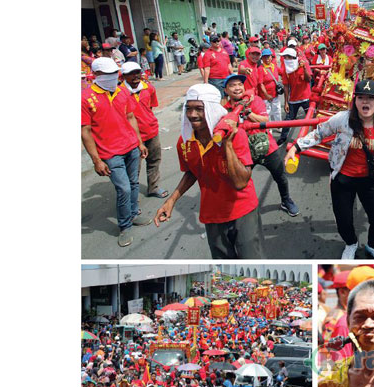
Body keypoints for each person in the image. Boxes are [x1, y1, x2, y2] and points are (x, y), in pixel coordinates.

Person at [285, 80, 374, 259]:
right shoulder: (343, 119)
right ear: (354, 100)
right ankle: (351, 244)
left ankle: (373, 246)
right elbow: (319, 133)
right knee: (344, 222)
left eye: (371, 98)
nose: (366, 102)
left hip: (370, 179)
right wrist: (296, 147)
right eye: (361, 97)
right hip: (343, 179)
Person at [153, 84, 265, 259]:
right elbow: (192, 170)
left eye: (199, 109)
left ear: (212, 110)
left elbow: (241, 182)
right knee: (223, 264)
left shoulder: (235, 135)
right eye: (188, 109)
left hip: (242, 210)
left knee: (252, 260)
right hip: (212, 215)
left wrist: (227, 145)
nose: (192, 115)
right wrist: (172, 200)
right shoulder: (184, 142)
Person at [81, 57, 151, 247]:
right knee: (124, 188)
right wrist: (96, 160)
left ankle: (134, 213)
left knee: (134, 183)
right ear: (96, 75)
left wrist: (139, 142)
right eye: (108, 74)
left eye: (115, 73)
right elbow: (85, 131)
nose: (113, 77)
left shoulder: (121, 91)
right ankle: (125, 226)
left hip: (131, 147)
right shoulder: (85, 98)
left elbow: (130, 117)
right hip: (110, 153)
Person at [221, 73, 299, 216]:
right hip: (243, 152)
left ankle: (286, 200)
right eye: (232, 85)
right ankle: (239, 208)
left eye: (239, 84)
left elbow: (264, 119)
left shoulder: (254, 100)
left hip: (266, 146)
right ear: (226, 90)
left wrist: (247, 111)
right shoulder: (224, 109)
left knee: (280, 176)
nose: (237, 88)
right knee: (239, 181)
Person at [120, 62, 168, 200]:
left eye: (137, 72)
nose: (135, 76)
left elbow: (150, 107)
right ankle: (131, 200)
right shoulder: (119, 92)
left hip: (151, 130)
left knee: (154, 161)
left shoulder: (149, 88)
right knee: (134, 168)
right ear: (124, 76)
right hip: (131, 136)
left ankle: (153, 187)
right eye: (131, 73)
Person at [277, 47, 311, 145]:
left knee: (311, 118)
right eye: (284, 57)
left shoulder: (303, 64)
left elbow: (308, 80)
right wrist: (286, 102)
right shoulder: (285, 70)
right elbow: (286, 87)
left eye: (286, 57)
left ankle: (317, 137)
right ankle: (283, 138)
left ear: (291, 57)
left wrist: (304, 68)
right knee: (288, 119)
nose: (284, 59)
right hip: (293, 99)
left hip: (306, 97)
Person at [260, 48, 282, 134]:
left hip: (275, 94)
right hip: (265, 96)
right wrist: (266, 94)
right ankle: (269, 128)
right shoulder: (261, 69)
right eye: (264, 57)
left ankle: (279, 126)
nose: (267, 59)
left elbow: (283, 73)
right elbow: (261, 84)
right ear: (262, 59)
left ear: (271, 57)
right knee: (267, 112)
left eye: (268, 57)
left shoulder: (274, 66)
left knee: (277, 110)